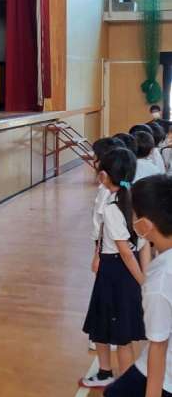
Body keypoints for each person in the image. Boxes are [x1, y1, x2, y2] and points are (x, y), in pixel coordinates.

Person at [101, 175, 172, 397]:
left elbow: (158, 344)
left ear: (144, 226)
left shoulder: (160, 280)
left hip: (167, 377)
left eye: (134, 216)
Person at [80, 148, 146, 388]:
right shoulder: (136, 201)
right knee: (106, 326)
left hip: (115, 272)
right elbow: (142, 247)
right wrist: (144, 276)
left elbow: (125, 252)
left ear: (104, 175)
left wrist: (143, 282)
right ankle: (105, 372)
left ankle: (125, 385)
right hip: (122, 270)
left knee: (120, 334)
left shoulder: (112, 209)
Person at [88, 137, 126, 353]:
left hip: (108, 250)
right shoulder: (118, 189)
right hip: (109, 248)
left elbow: (102, 224)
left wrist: (97, 253)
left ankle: (102, 336)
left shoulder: (107, 193)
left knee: (105, 295)